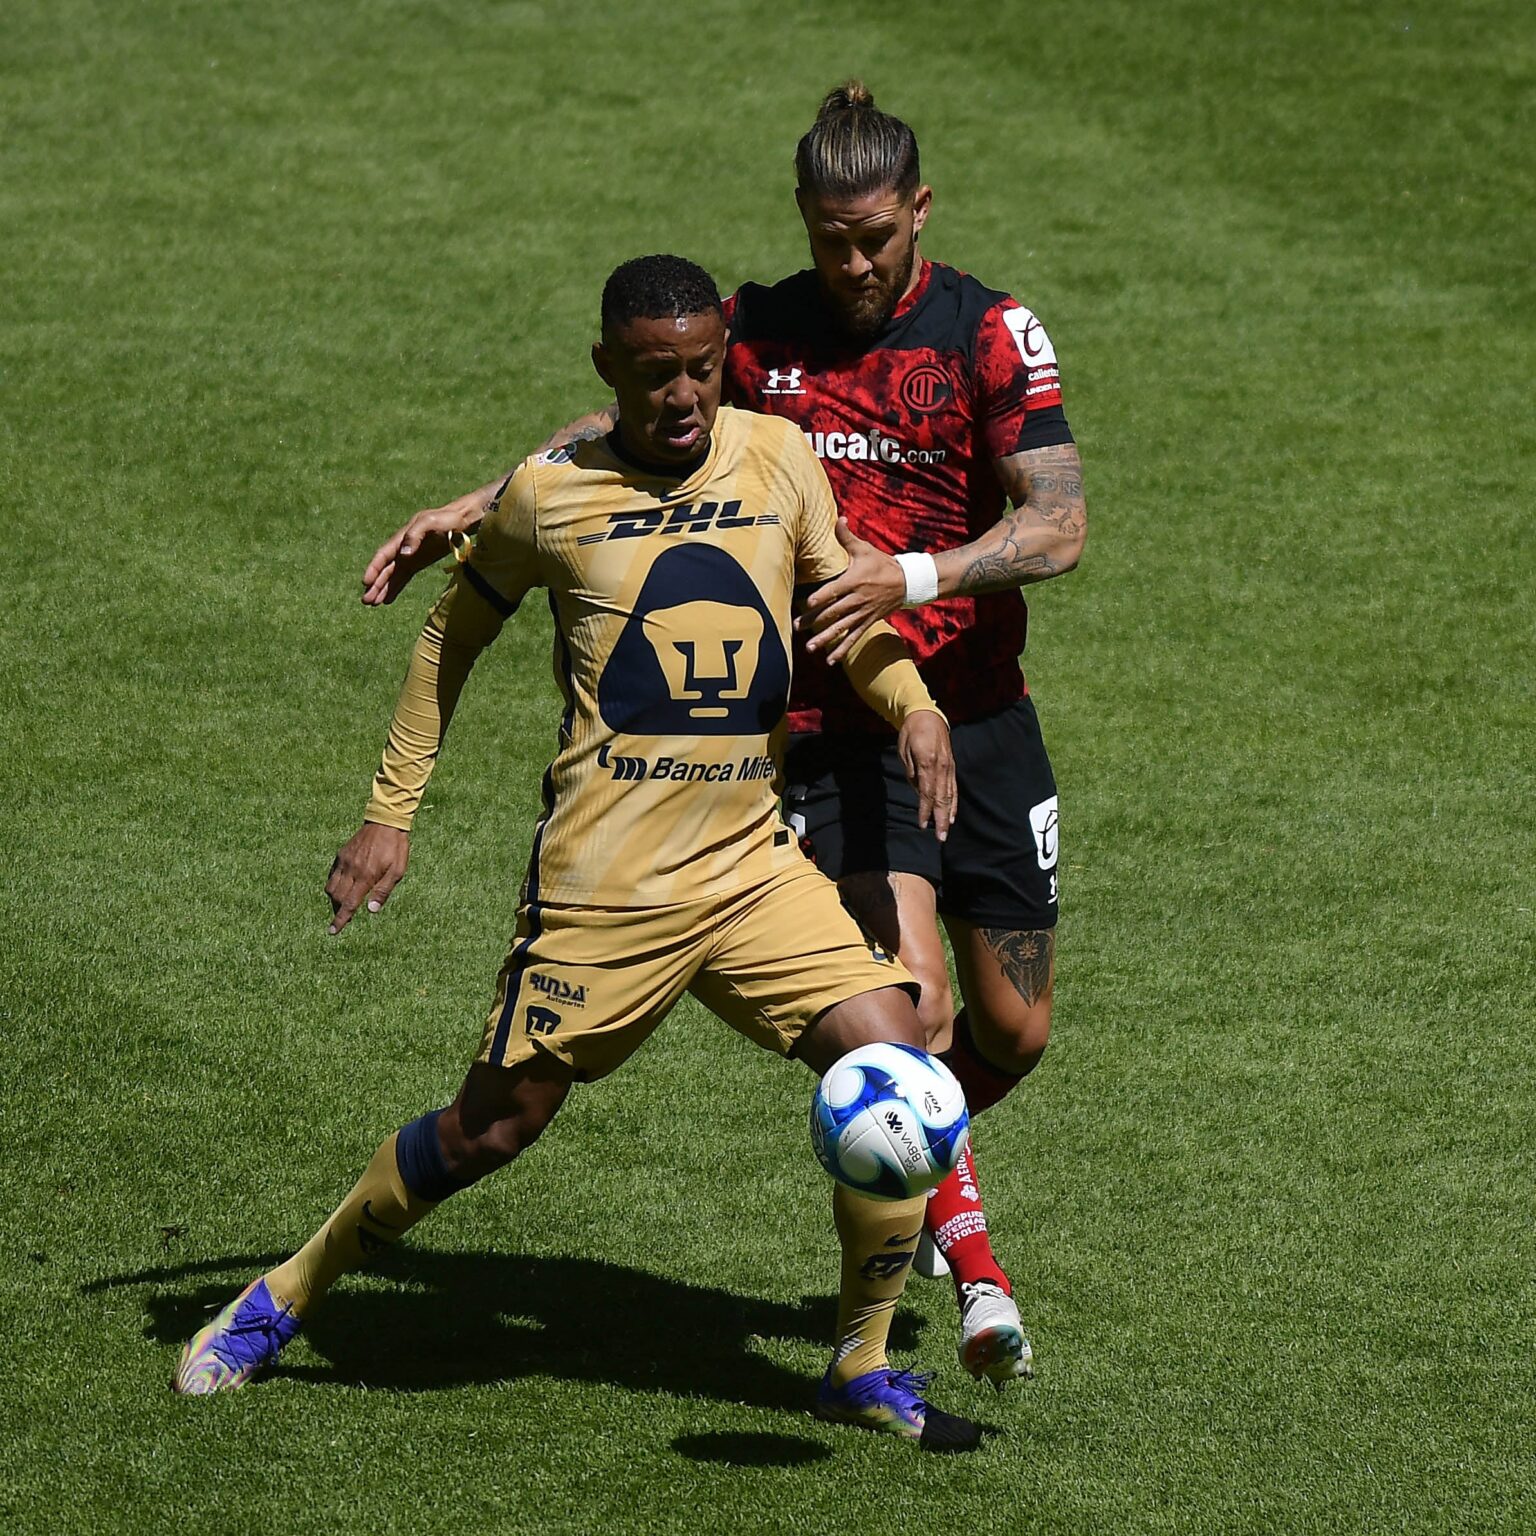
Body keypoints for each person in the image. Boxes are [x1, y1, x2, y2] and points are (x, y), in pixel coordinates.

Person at [174, 256, 984, 1451]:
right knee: (488, 1131)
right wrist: (391, 813)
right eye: (655, 375)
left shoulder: (777, 458)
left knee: (899, 1066)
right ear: (608, 368)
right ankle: (287, 1292)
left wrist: (913, 703)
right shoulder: (549, 497)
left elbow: (842, 618)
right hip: (606, 889)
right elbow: (448, 639)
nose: (683, 396)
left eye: (701, 368)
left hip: (751, 868)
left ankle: (858, 1364)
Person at [360, 83, 1088, 1388]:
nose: (852, 264)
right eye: (829, 239)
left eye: (874, 238)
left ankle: (904, 1148)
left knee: (1015, 1028)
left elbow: (1058, 525)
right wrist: (479, 503)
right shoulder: (757, 328)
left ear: (920, 212)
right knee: (914, 1009)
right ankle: (977, 1275)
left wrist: (911, 578)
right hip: (838, 720)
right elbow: (635, 423)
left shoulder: (988, 333)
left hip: (980, 712)